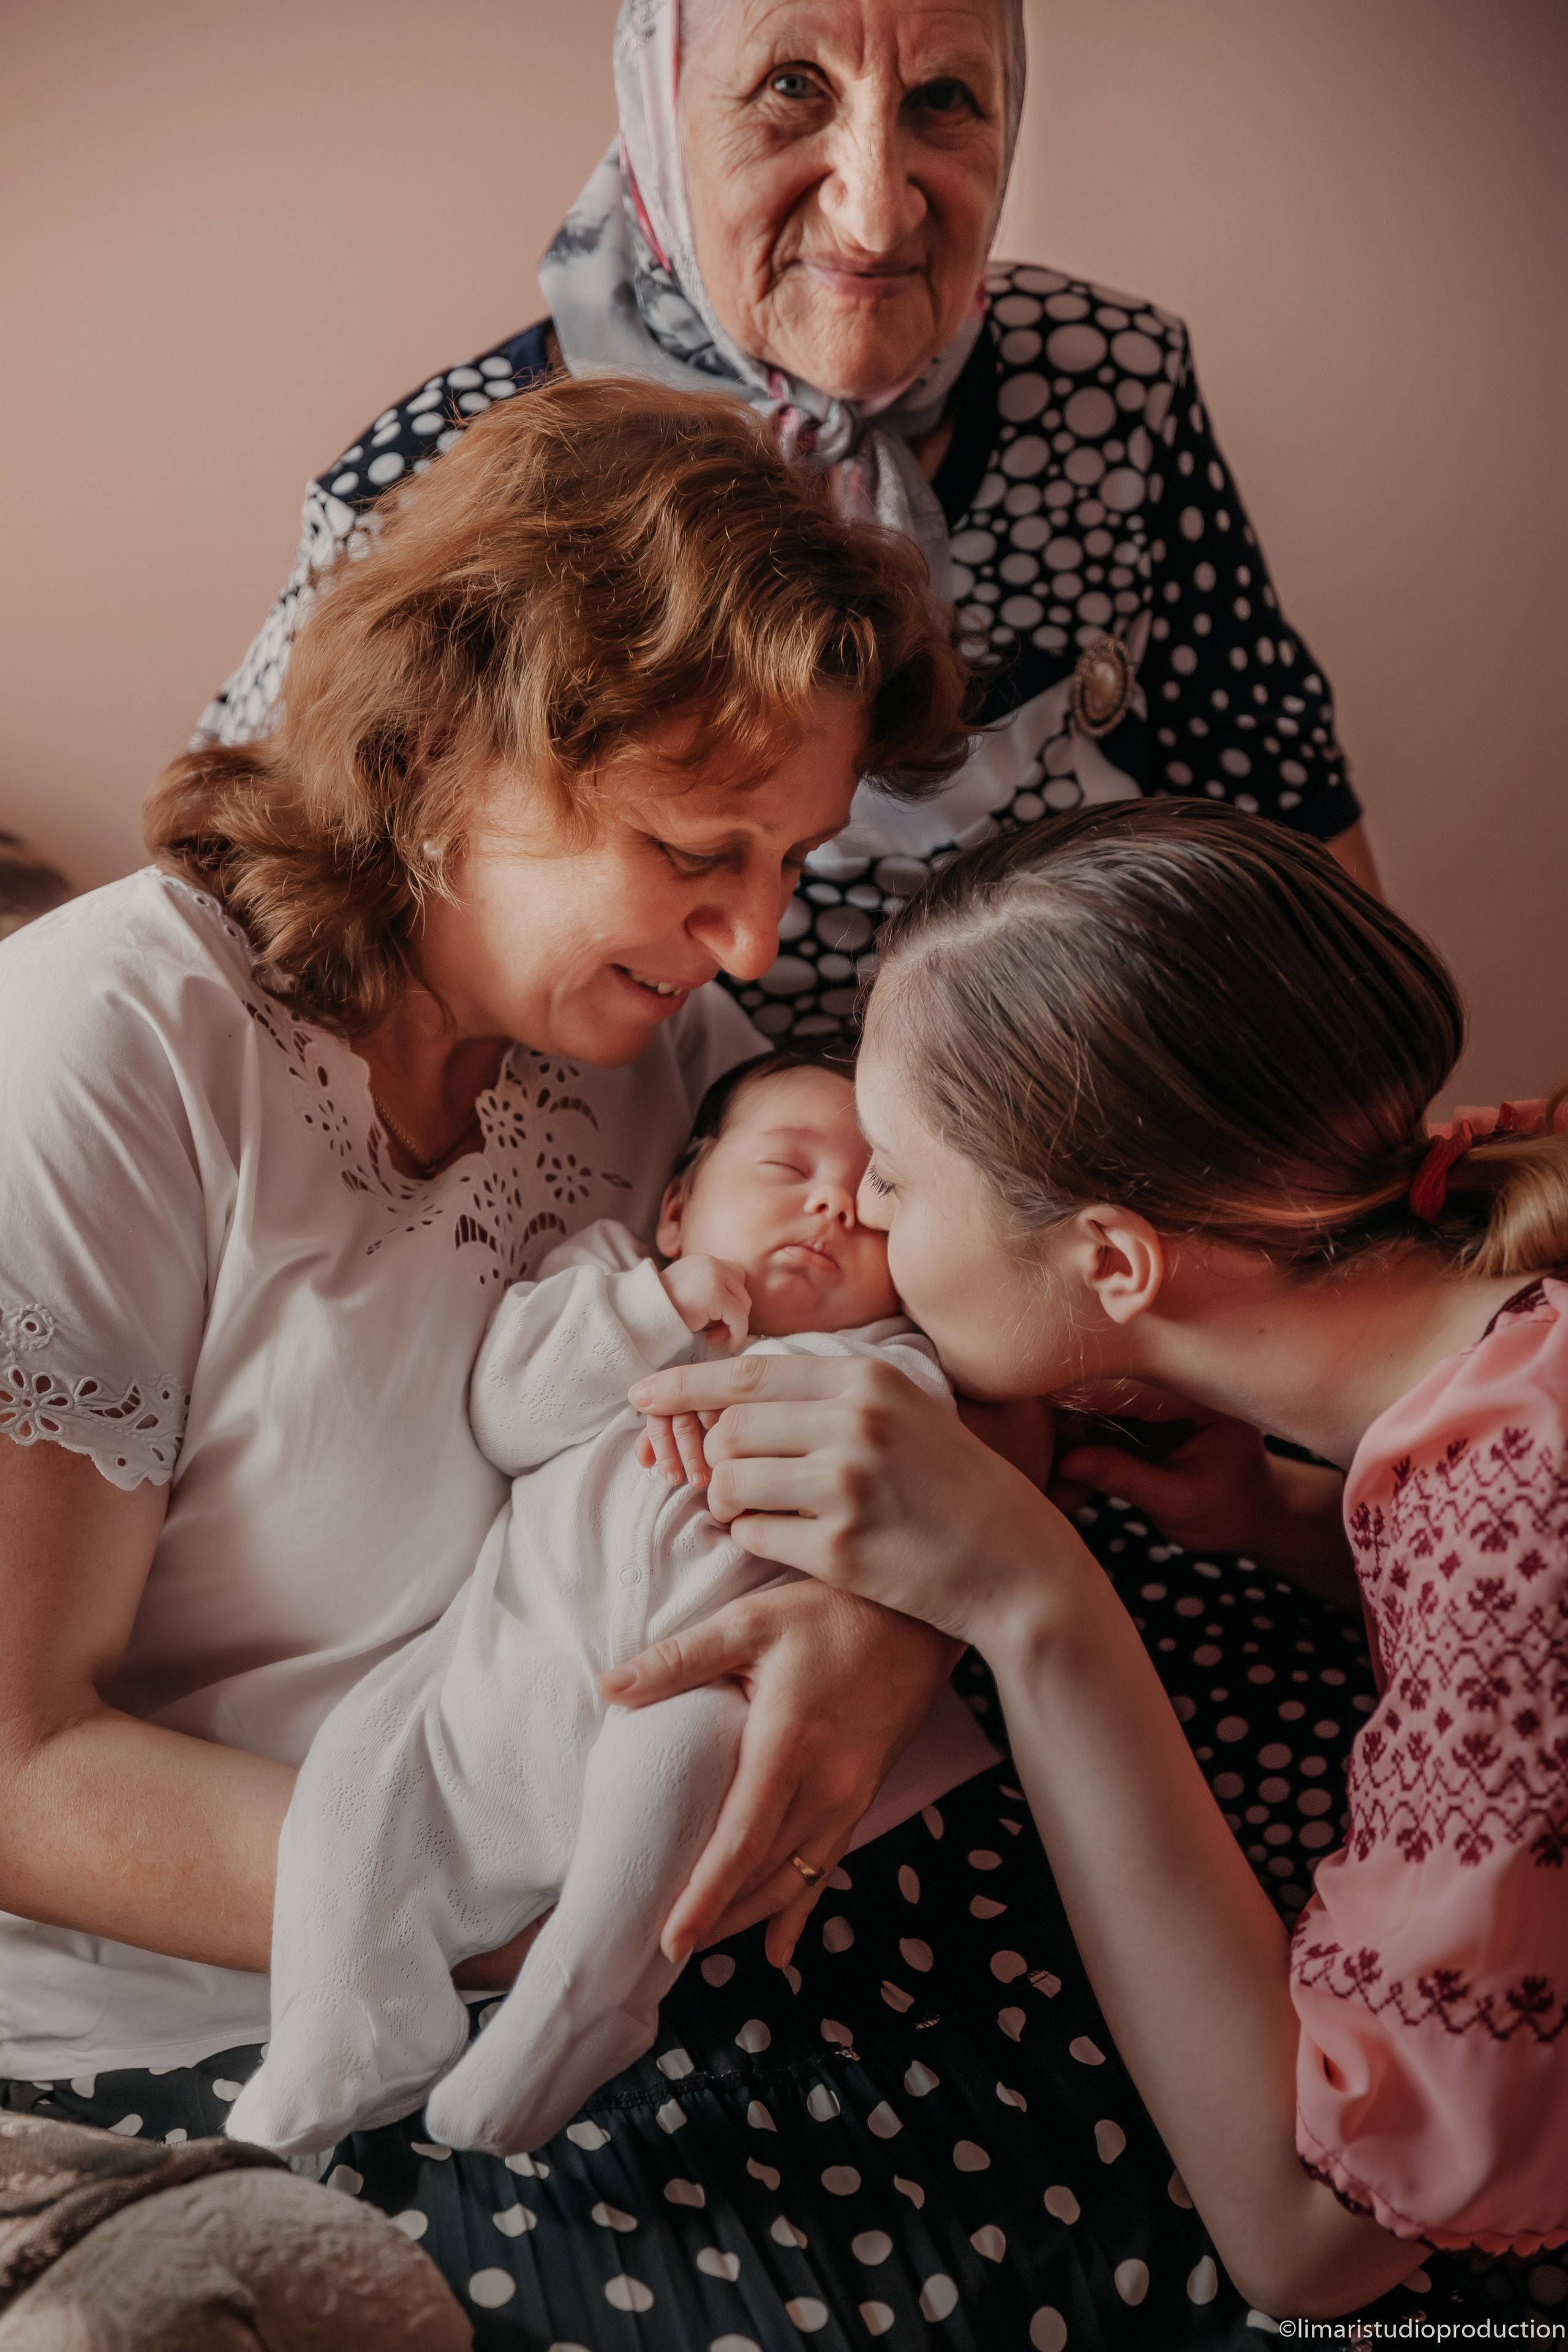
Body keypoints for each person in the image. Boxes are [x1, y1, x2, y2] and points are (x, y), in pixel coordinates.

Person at [0, 375, 1003, 2345]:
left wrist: (879, 1636)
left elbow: (956, 1342)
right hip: (243, 1991)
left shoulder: (666, 1057)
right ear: (448, 748)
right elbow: (16, 1766)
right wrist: (519, 1911)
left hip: (624, 1872)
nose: (750, 940)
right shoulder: (106, 1049)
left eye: (791, 862)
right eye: (696, 847)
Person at [625, 800, 1568, 2319]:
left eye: (898, 1177)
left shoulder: (1509, 1530)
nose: (862, 1210)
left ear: (1113, 1260)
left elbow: (1316, 2244)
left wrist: (1032, 1597)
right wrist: (1277, 1520)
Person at [228, 1052, 978, 2164]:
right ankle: (339, 2025)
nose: (831, 1206)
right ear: (677, 1208)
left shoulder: (893, 1367)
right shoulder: (608, 1280)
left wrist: (744, 1411)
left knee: (681, 1755)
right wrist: (652, 1312)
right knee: (355, 1777)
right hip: (503, 1659)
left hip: (704, 1678)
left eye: (875, 1199)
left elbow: (905, 1508)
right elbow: (508, 1412)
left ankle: (588, 1995)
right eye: (788, 1168)